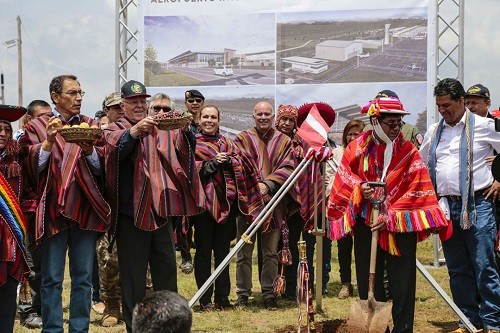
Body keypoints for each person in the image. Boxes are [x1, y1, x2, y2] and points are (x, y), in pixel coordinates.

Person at [328, 96, 448, 333]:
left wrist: (390, 215)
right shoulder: (357, 147)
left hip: (400, 224)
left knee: (402, 279)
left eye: (399, 123)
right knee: (366, 274)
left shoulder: (408, 150)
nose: (396, 128)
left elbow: (417, 186)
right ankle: (376, 327)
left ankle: (403, 328)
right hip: (366, 222)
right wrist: (359, 189)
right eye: (391, 123)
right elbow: (345, 177)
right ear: (375, 121)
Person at [103, 80, 205, 332]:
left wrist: (185, 130)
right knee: (133, 281)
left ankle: (170, 325)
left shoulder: (159, 128)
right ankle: (134, 328)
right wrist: (134, 132)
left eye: (142, 102)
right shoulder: (114, 129)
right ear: (123, 105)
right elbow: (112, 156)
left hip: (160, 213)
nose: (139, 106)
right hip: (130, 218)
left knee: (167, 275)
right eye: (133, 102)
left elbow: (186, 151)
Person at [19, 74, 111, 332]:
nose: (79, 97)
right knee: (52, 279)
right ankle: (52, 329)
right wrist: (48, 142)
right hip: (52, 213)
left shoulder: (91, 125)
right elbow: (30, 168)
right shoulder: (37, 127)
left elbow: (103, 168)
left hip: (84, 210)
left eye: (80, 92)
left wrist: (90, 150)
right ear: (55, 97)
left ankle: (79, 328)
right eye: (72, 93)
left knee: (83, 278)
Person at [420, 78, 500, 333]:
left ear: (461, 101)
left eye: (447, 105)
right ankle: (467, 321)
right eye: (439, 106)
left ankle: (493, 322)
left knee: (484, 265)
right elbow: (420, 163)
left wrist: (499, 179)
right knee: (457, 268)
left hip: (479, 205)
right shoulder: (435, 131)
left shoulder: (486, 125)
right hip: (447, 208)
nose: (443, 110)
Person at [192, 104, 263, 310]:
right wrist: (211, 164)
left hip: (227, 207)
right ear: (199, 120)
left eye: (213, 117)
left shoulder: (228, 144)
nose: (209, 121)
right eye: (205, 117)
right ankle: (205, 299)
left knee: (223, 252)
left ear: (219, 121)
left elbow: (244, 163)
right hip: (203, 208)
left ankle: (222, 298)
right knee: (204, 253)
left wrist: (230, 161)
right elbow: (188, 171)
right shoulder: (193, 144)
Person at [234, 101, 298, 310]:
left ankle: (269, 293)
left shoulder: (284, 141)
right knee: (244, 251)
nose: (263, 117)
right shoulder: (242, 139)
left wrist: (268, 185)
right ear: (253, 115)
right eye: (259, 113)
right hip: (247, 205)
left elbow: (289, 167)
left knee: (270, 252)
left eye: (267, 114)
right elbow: (236, 166)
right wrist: (254, 187)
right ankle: (243, 293)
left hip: (274, 205)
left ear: (274, 118)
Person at [274, 103, 335, 298]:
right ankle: (285, 289)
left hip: (304, 201)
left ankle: (304, 287)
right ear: (278, 120)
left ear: (295, 124)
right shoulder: (273, 142)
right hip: (281, 201)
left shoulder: (304, 144)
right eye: (283, 119)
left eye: (291, 120)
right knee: (285, 246)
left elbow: (312, 168)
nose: (286, 123)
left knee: (306, 246)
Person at [16, 100, 51, 329]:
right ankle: (26, 309)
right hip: (20, 214)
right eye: (42, 117)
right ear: (29, 120)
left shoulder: (54, 140)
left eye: (50, 116)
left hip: (44, 213)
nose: (48, 122)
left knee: (42, 265)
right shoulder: (19, 144)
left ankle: (38, 308)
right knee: (27, 265)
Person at [0, 104, 31, 333]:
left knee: (8, 296)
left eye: (6, 129)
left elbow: (30, 194)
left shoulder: (17, 162)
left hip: (9, 243)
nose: (2, 133)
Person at [325, 119, 365, 299]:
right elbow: (328, 175)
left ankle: (364, 283)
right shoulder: (337, 153)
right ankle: (346, 283)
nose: (353, 137)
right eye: (350, 134)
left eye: (357, 134)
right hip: (343, 206)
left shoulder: (368, 152)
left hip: (363, 206)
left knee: (363, 247)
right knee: (344, 246)